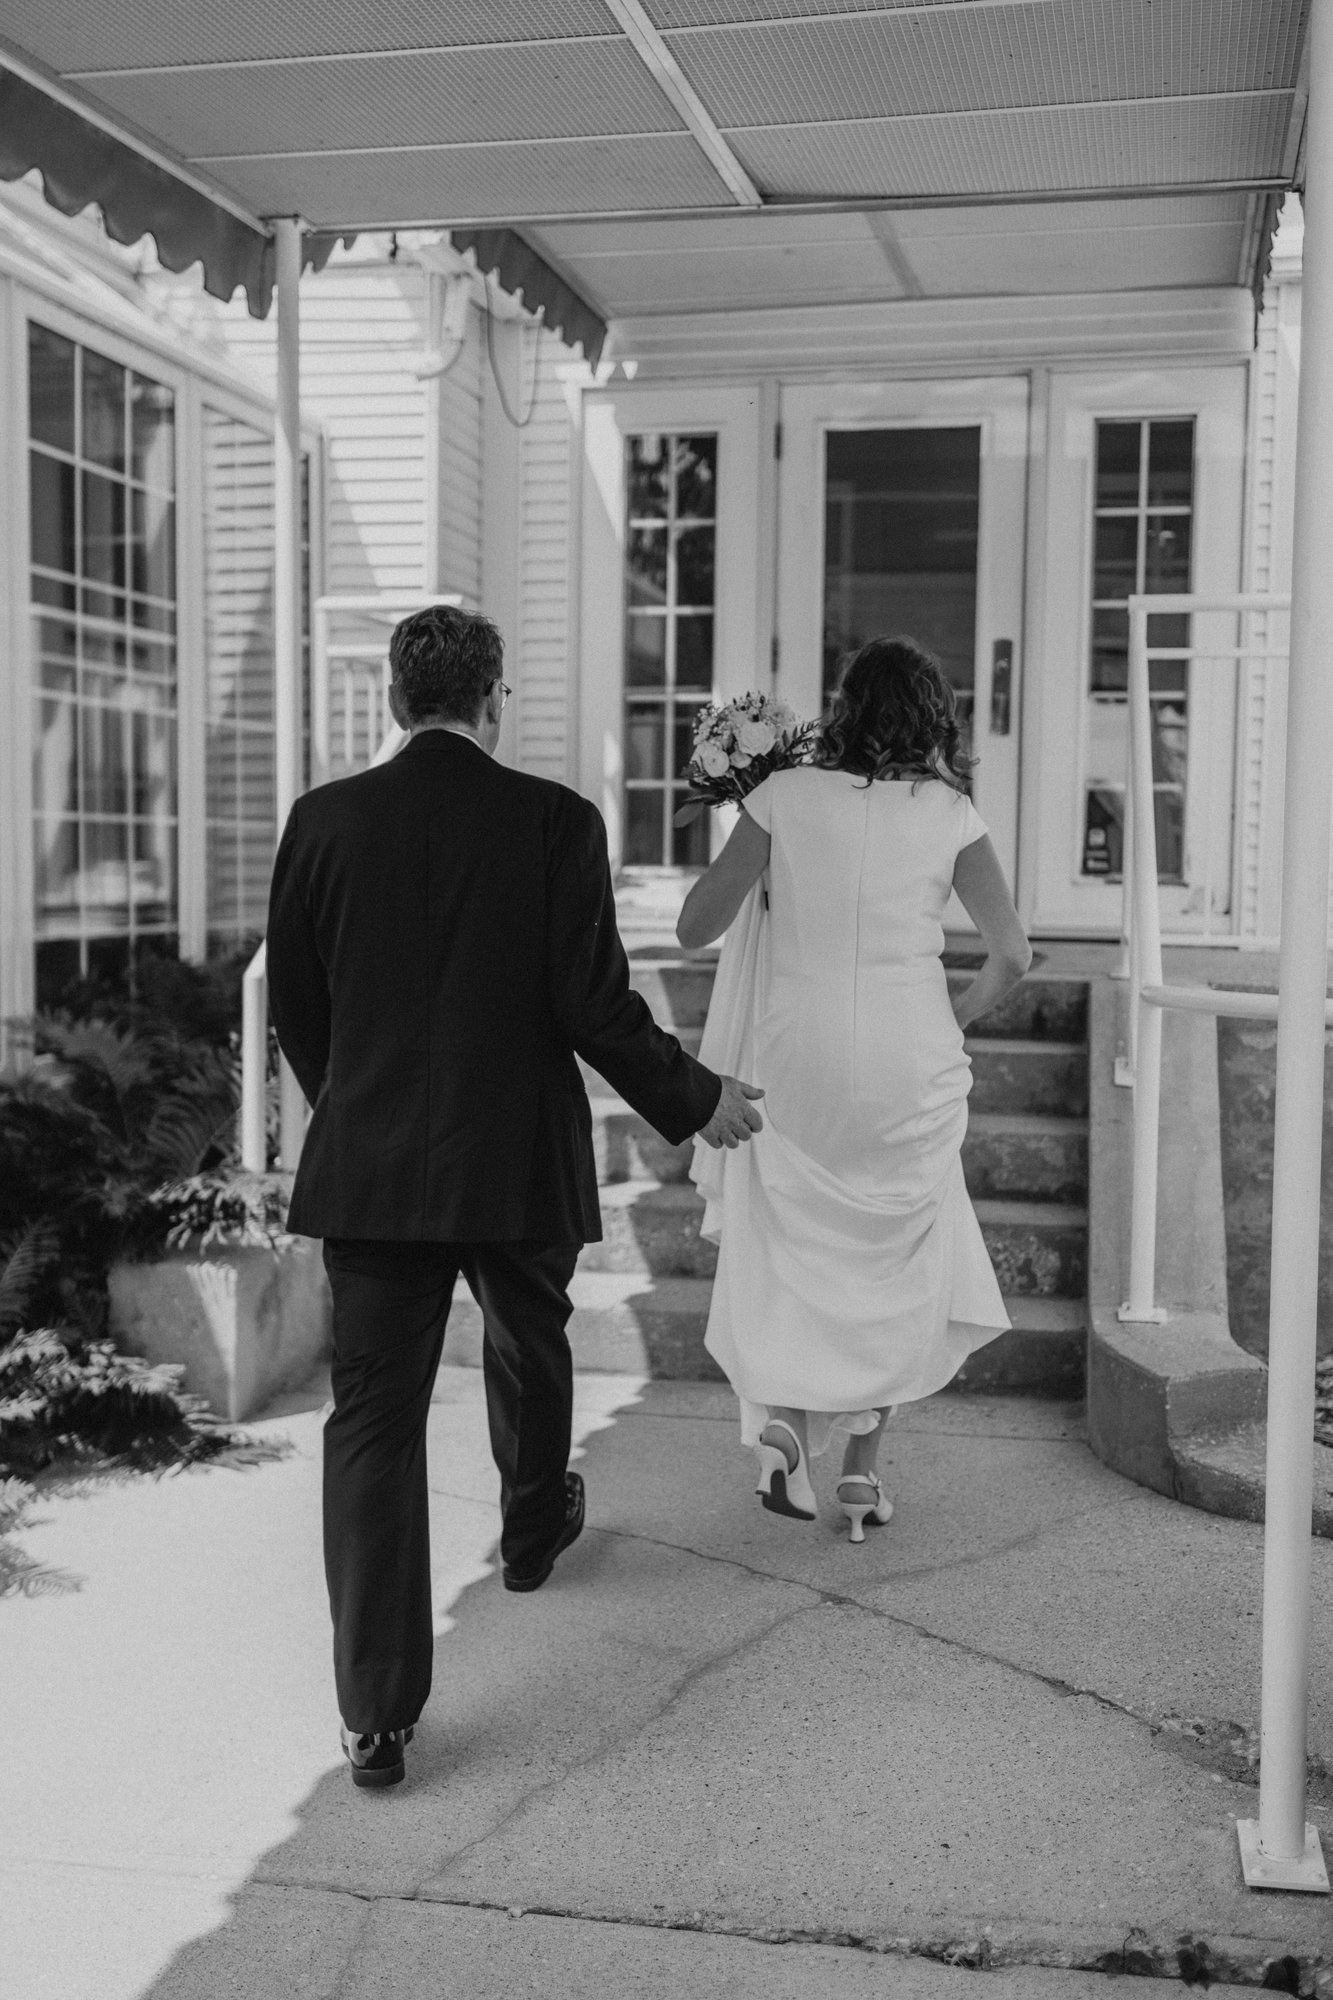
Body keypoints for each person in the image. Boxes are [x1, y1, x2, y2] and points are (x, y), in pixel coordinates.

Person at [267, 603, 763, 1789]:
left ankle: (375, 1715)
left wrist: (358, 1106)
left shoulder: (322, 822)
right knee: (530, 1341)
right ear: (492, 701)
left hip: (374, 1168)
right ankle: (532, 1530)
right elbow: (594, 1004)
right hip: (514, 1155)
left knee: (372, 1423)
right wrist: (696, 1096)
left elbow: (298, 1005)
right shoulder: (555, 820)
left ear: (399, 701)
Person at [677, 635, 1031, 1541]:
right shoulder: (951, 813)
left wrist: (757, 833)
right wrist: (949, 1022)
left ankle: (788, 1426)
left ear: (843, 709)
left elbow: (692, 928)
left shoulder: (782, 796)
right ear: (933, 716)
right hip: (908, 1052)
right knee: (896, 1252)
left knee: (795, 1238)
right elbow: (1011, 955)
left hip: (797, 1049)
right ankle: (863, 1474)